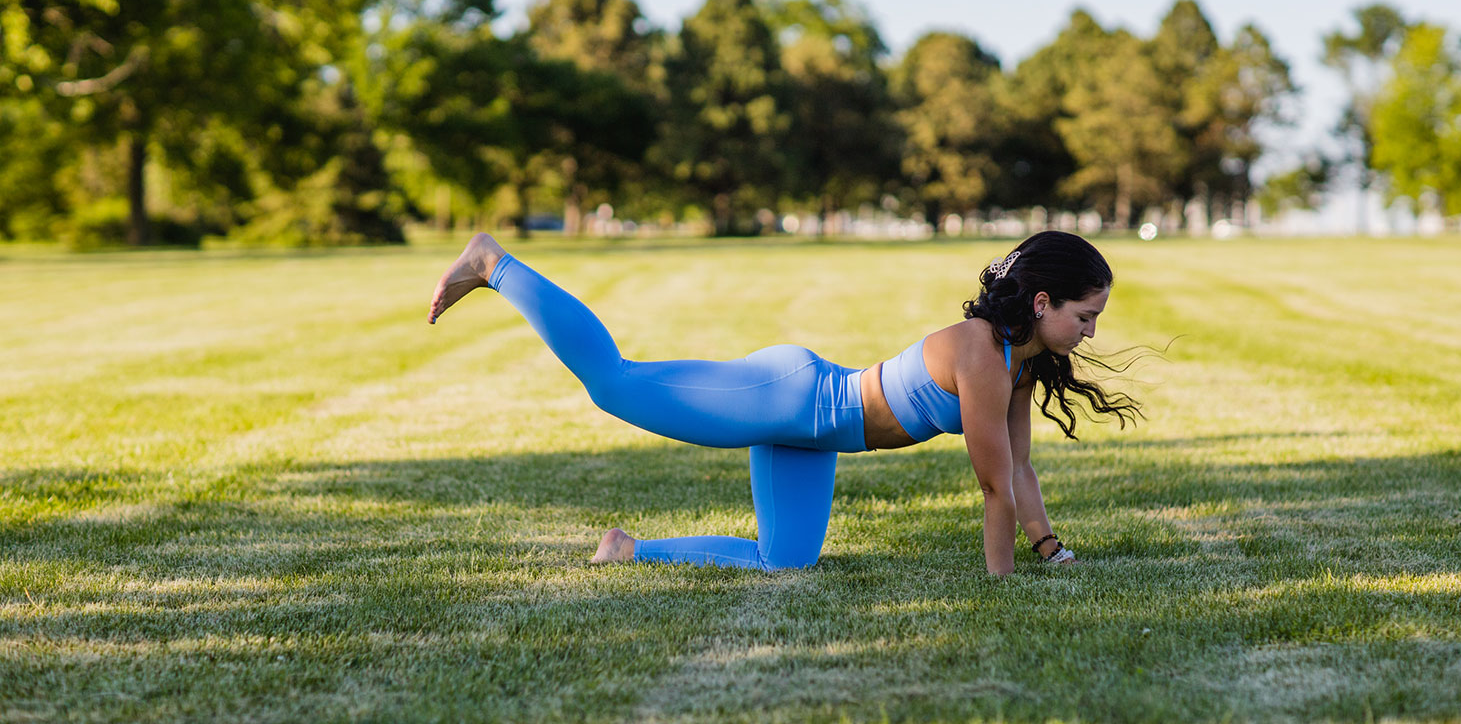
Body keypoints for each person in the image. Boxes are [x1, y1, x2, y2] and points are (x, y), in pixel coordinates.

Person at [427, 229, 1141, 577]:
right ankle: (495, 264)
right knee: (614, 383)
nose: (1091, 331)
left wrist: (1051, 548)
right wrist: (1002, 588)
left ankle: (629, 549)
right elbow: (991, 488)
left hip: (815, 435)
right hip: (791, 397)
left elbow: (1020, 472)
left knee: (785, 563)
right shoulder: (981, 351)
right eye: (1085, 316)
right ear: (1043, 302)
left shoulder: (1021, 362)